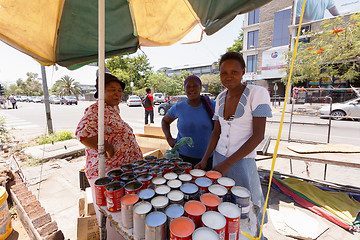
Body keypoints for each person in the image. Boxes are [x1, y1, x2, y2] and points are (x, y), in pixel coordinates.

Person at [195, 52, 272, 225]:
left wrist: (229, 162)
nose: (228, 77)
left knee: (247, 206)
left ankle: (256, 234)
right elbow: (216, 132)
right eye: (224, 73)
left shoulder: (257, 93)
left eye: (234, 72)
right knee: (222, 202)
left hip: (243, 161)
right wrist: (205, 159)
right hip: (218, 158)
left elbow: (258, 135)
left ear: (243, 71)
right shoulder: (220, 98)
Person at [76, 72, 143, 239]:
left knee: (121, 213)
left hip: (119, 171)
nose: (117, 93)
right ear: (101, 91)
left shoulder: (112, 109)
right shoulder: (96, 109)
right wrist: (106, 146)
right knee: (112, 215)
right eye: (112, 89)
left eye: (119, 90)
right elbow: (82, 134)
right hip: (107, 172)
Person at [162, 75, 215, 170]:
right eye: (188, 86)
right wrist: (169, 138)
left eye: (195, 85)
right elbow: (165, 121)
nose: (192, 89)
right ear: (184, 88)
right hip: (182, 159)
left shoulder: (212, 105)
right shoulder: (179, 107)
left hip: (207, 160)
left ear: (200, 87)